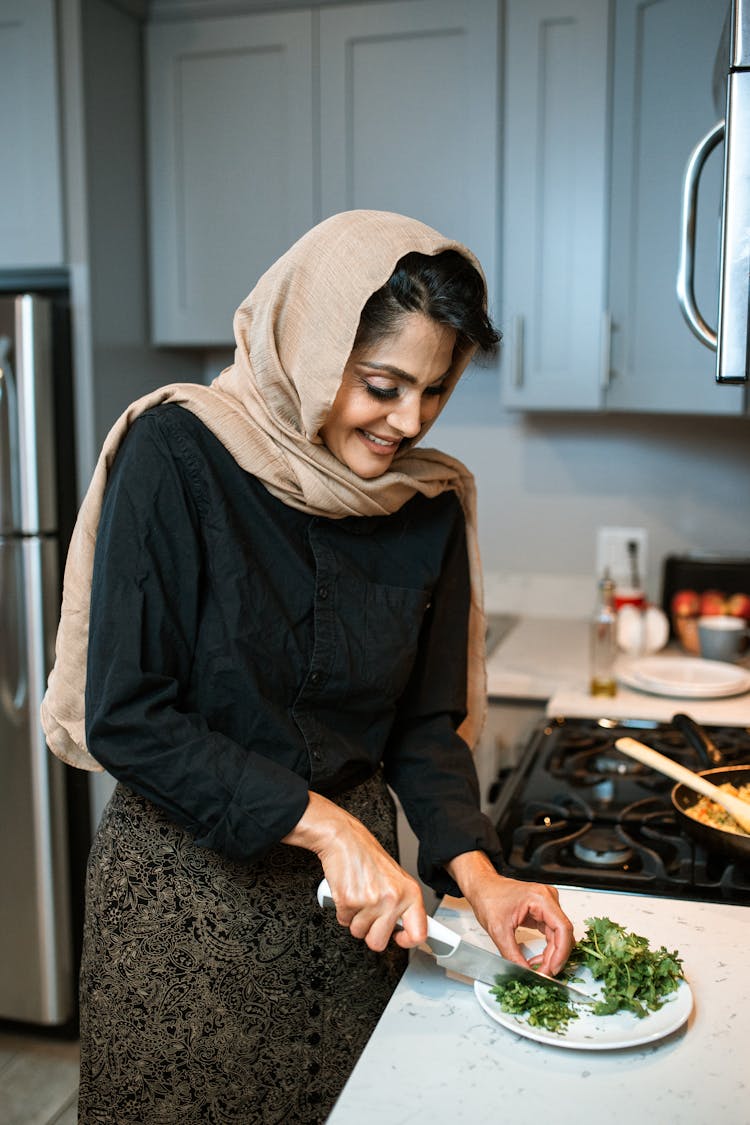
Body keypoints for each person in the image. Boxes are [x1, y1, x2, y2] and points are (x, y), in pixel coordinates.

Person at [41, 210, 574, 1124]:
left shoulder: (425, 505)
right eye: (381, 384)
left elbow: (423, 724)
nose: (408, 422)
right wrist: (327, 828)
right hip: (186, 901)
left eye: (436, 391)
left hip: (359, 918)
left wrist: (478, 870)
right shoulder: (178, 452)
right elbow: (129, 713)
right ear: (313, 346)